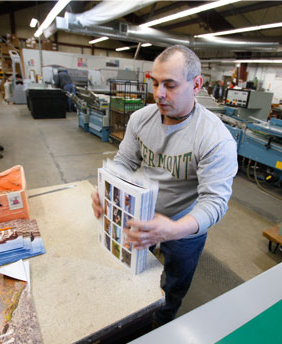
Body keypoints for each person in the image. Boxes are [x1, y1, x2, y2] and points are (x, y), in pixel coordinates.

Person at [91, 45, 238, 326]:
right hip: (140, 214)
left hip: (185, 225)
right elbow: (124, 161)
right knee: (129, 272)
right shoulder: (141, 119)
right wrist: (105, 187)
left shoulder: (215, 139)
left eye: (170, 85)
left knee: (174, 284)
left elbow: (215, 202)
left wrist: (174, 229)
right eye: (155, 83)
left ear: (196, 85)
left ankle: (161, 323)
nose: (158, 93)